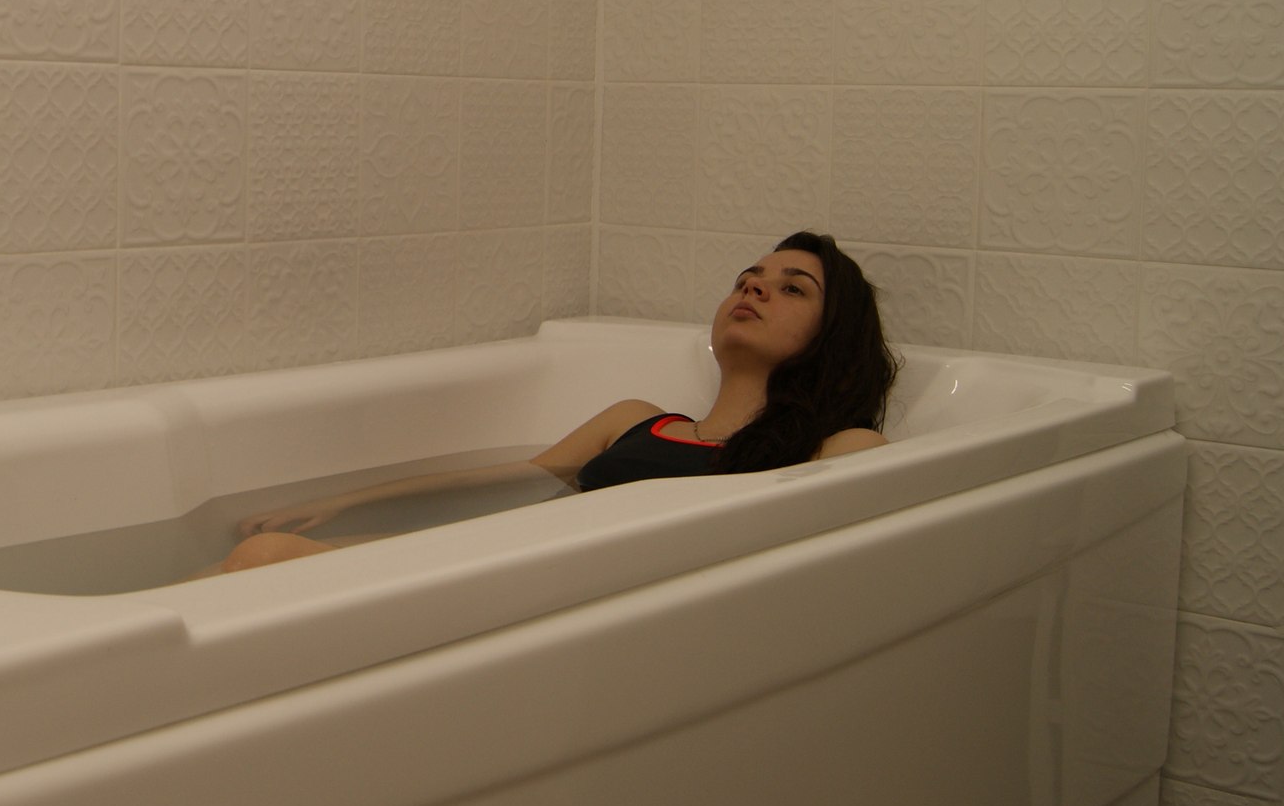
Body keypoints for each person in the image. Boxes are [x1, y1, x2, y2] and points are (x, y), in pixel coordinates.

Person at [213, 232, 899, 574]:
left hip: (571, 587)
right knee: (256, 557)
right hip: (512, 556)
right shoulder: (637, 419)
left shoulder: (839, 447)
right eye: (748, 278)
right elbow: (501, 483)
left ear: (830, 338)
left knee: (265, 561)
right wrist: (344, 502)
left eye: (792, 288)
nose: (753, 288)